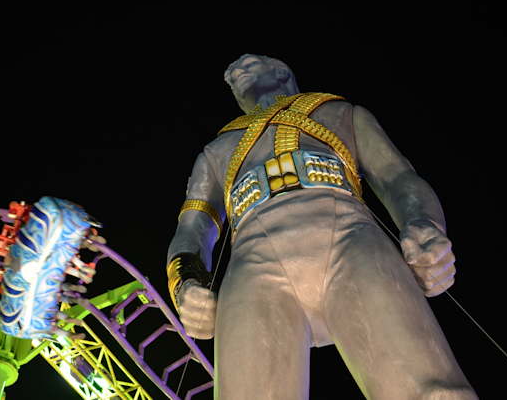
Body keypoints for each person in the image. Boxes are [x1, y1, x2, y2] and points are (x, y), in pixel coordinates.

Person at [166, 54, 477, 399]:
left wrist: (424, 225)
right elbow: (192, 228)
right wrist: (186, 284)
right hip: (254, 266)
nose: (236, 71)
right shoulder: (216, 150)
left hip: (351, 242)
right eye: (233, 75)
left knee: (432, 392)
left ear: (283, 71)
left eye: (251, 64)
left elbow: (398, 177)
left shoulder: (342, 114)